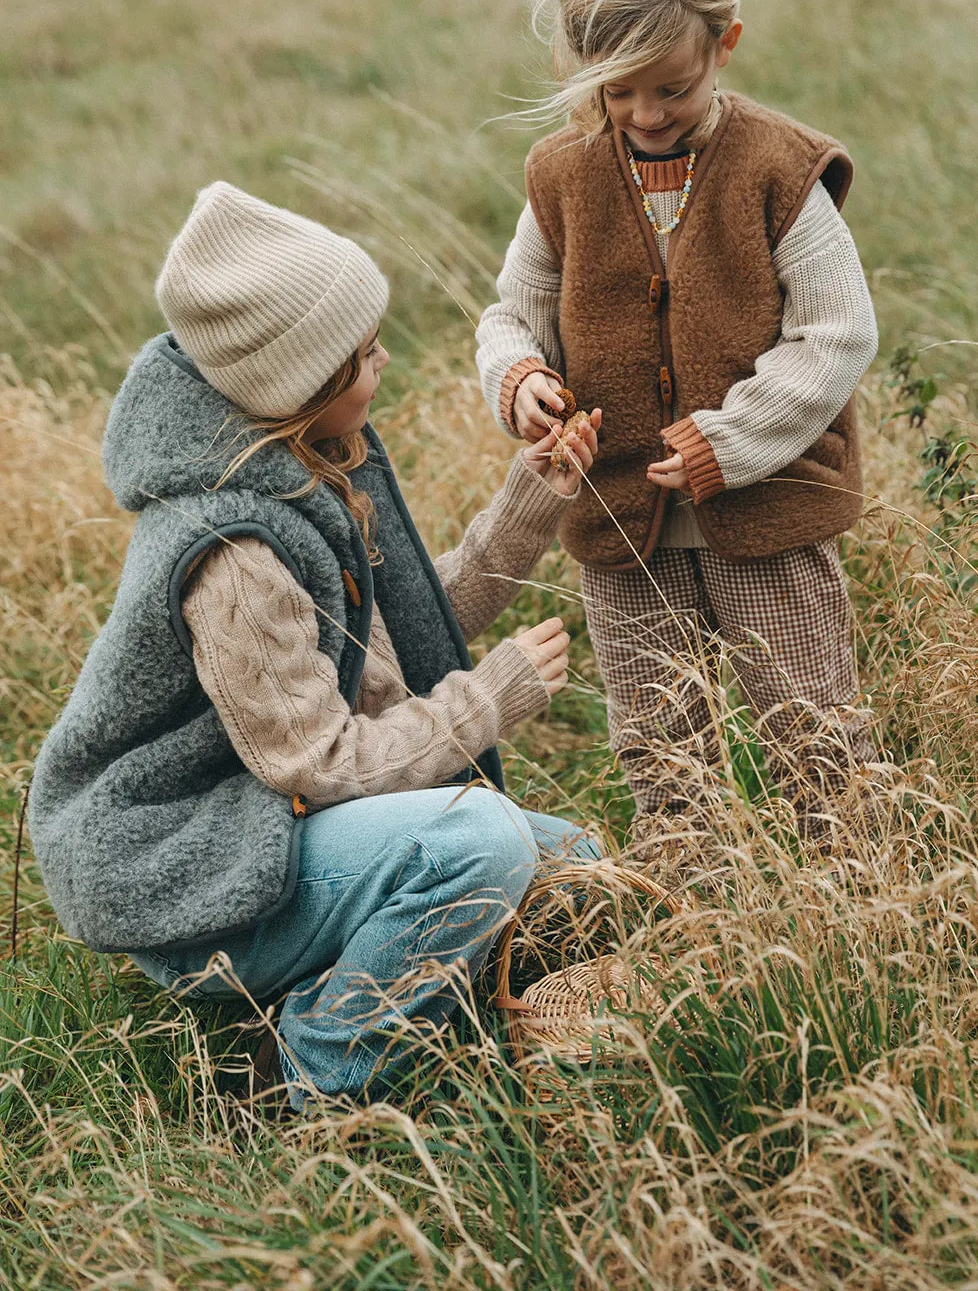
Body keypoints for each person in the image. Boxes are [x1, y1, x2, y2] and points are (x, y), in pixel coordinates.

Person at [29, 181, 602, 1112]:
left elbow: (400, 639)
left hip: (269, 832)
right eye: (361, 350)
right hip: (195, 882)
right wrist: (485, 699)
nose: (383, 354)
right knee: (480, 846)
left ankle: (414, 993)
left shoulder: (293, 467)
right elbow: (320, 760)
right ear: (299, 380)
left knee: (575, 865)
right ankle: (306, 1075)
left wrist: (534, 495)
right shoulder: (235, 555)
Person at [476, 0, 879, 831]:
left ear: (723, 43)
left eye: (670, 89)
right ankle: (693, 903)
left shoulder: (780, 169)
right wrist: (521, 380)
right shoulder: (563, 175)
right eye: (616, 92)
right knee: (659, 743)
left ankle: (849, 898)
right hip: (622, 524)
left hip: (765, 512)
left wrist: (731, 440)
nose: (644, 115)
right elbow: (513, 313)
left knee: (810, 729)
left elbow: (838, 334)